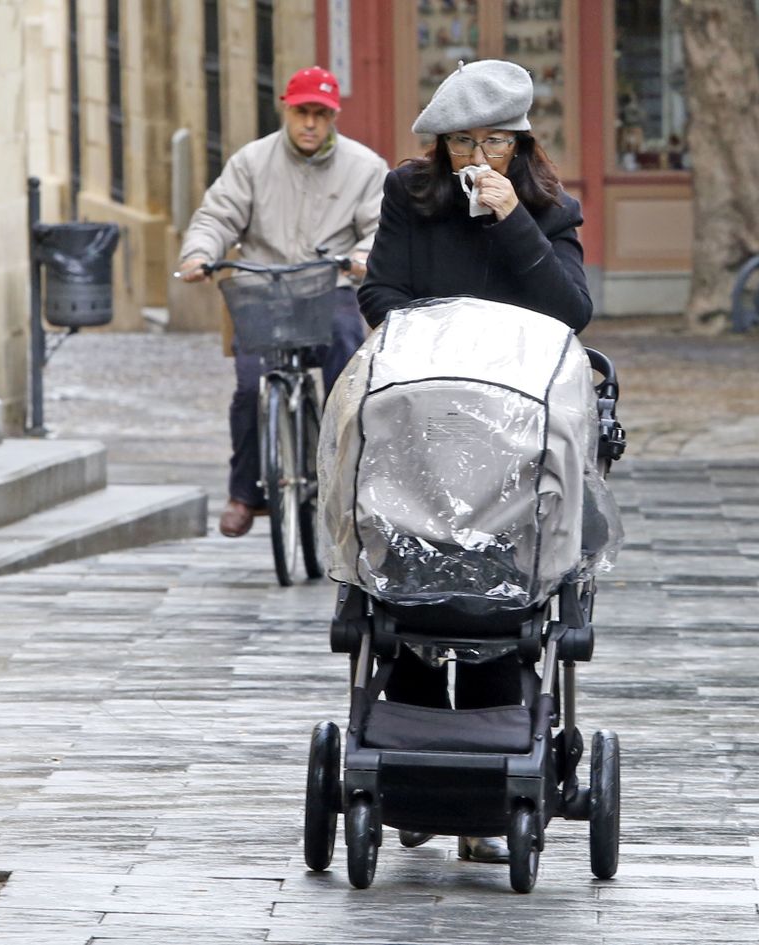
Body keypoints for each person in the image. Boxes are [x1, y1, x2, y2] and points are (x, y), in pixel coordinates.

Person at [357, 58, 592, 863]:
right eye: (461, 142)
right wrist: (439, 349)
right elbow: (380, 294)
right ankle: (415, 779)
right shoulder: (407, 194)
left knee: (502, 612)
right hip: (421, 428)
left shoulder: (549, 209)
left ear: (519, 143)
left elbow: (570, 315)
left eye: (492, 140)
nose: (475, 156)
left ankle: (491, 797)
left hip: (512, 443)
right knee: (416, 608)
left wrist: (513, 222)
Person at [178, 66, 388, 538]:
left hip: (326, 287)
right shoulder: (251, 161)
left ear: (332, 117)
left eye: (320, 113)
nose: (310, 123)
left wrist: (360, 256)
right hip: (262, 290)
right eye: (301, 112)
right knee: (250, 387)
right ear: (286, 111)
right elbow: (218, 215)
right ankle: (244, 494)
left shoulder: (365, 166)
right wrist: (199, 254)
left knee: (346, 374)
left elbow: (381, 227)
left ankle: (350, 476)